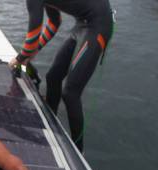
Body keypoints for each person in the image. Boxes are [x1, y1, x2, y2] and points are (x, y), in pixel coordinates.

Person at [9, 0, 113, 152]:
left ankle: (79, 151)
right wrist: (32, 51)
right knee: (52, 77)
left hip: (98, 25)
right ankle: (51, 123)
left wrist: (20, 58)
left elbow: (31, 40)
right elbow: (54, 23)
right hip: (82, 25)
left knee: (71, 93)